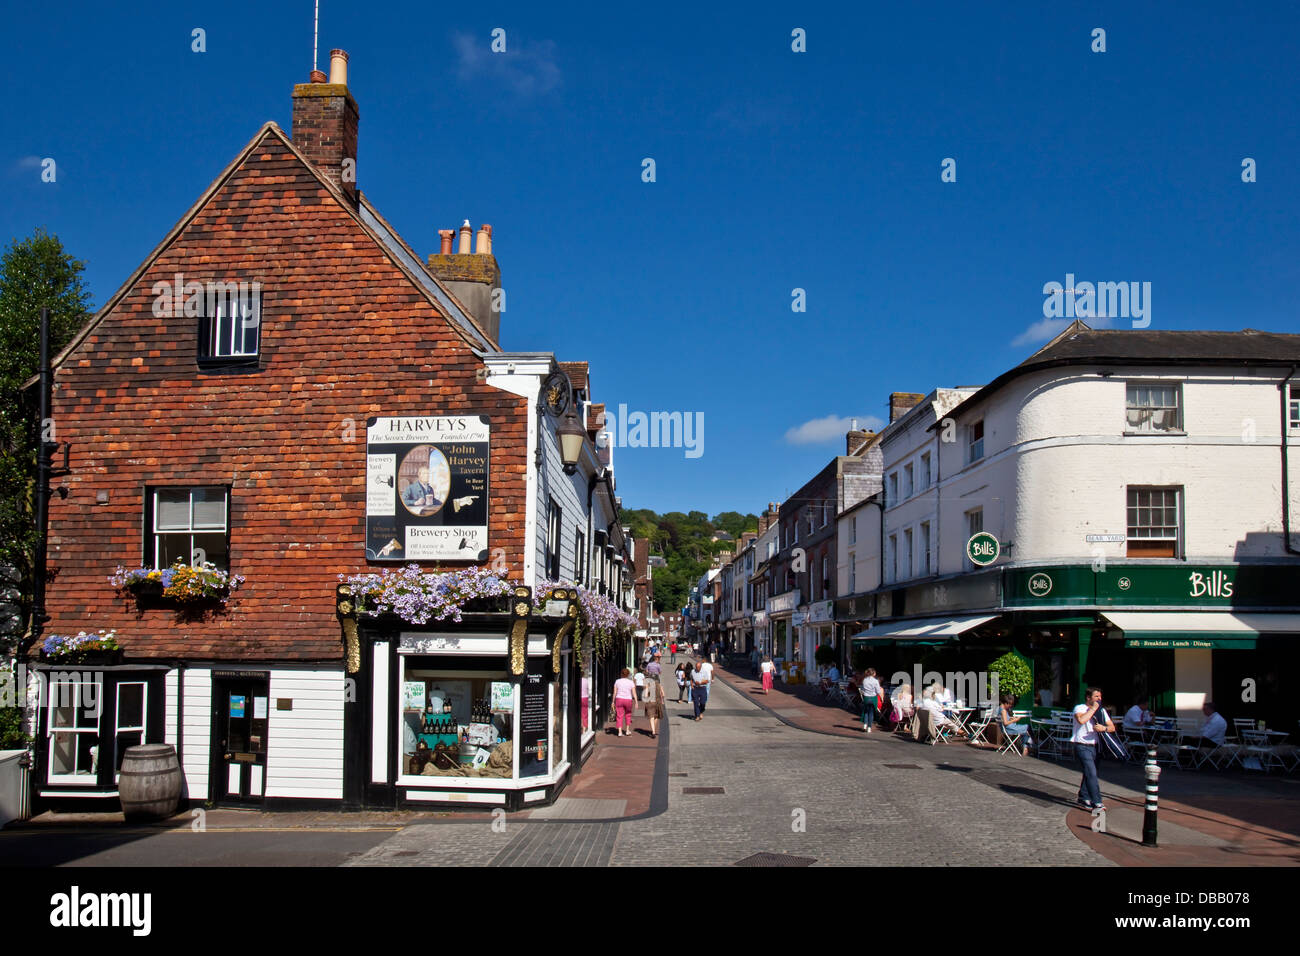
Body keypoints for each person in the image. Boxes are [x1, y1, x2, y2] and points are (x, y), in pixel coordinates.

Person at [1073, 686, 1114, 811]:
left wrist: (1104, 728)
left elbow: (1112, 727)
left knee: (1088, 772)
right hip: (1081, 745)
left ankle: (1083, 797)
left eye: (1100, 697)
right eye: (1096, 696)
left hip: (1096, 746)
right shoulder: (1080, 708)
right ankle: (1097, 801)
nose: (1099, 699)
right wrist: (1093, 709)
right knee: (1092, 773)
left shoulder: (1102, 711)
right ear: (1088, 698)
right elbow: (1081, 720)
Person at [613, 668, 637, 737]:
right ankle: (627, 730)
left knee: (619, 715)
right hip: (628, 700)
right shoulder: (631, 682)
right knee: (628, 714)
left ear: (621, 674)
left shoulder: (617, 681)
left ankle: (620, 732)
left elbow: (615, 692)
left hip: (619, 699)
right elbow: (634, 693)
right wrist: (636, 701)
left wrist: (612, 701)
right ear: (628, 674)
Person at [859, 667, 883, 733]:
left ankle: (865, 725)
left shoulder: (864, 680)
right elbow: (878, 691)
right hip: (873, 697)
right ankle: (869, 727)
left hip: (866, 697)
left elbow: (863, 689)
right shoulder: (875, 681)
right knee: (871, 713)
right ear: (873, 673)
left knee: (866, 711)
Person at [643, 672, 663, 737]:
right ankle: (653, 729)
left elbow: (646, 695)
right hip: (657, 702)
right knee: (656, 716)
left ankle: (653, 731)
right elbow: (663, 694)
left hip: (650, 702)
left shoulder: (648, 685)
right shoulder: (659, 685)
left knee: (651, 717)